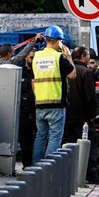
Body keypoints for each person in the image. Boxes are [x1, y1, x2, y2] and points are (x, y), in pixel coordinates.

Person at [32, 25, 76, 164]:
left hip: (40, 103)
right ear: (58, 41)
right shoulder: (59, 57)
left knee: (40, 137)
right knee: (54, 138)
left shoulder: (36, 57)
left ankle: (35, 168)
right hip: (56, 104)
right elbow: (73, 74)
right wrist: (69, 56)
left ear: (46, 39)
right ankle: (48, 168)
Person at [64, 46, 99, 182]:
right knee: (88, 145)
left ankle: (69, 174)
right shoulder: (86, 72)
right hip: (83, 117)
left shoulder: (67, 70)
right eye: (87, 56)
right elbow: (90, 96)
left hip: (67, 115)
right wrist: (92, 114)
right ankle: (90, 174)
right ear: (83, 57)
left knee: (68, 146)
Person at [18, 50, 37, 168]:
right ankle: (27, 164)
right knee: (25, 139)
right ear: (26, 57)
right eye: (31, 57)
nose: (33, 60)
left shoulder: (38, 71)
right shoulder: (21, 72)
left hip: (36, 108)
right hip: (25, 109)